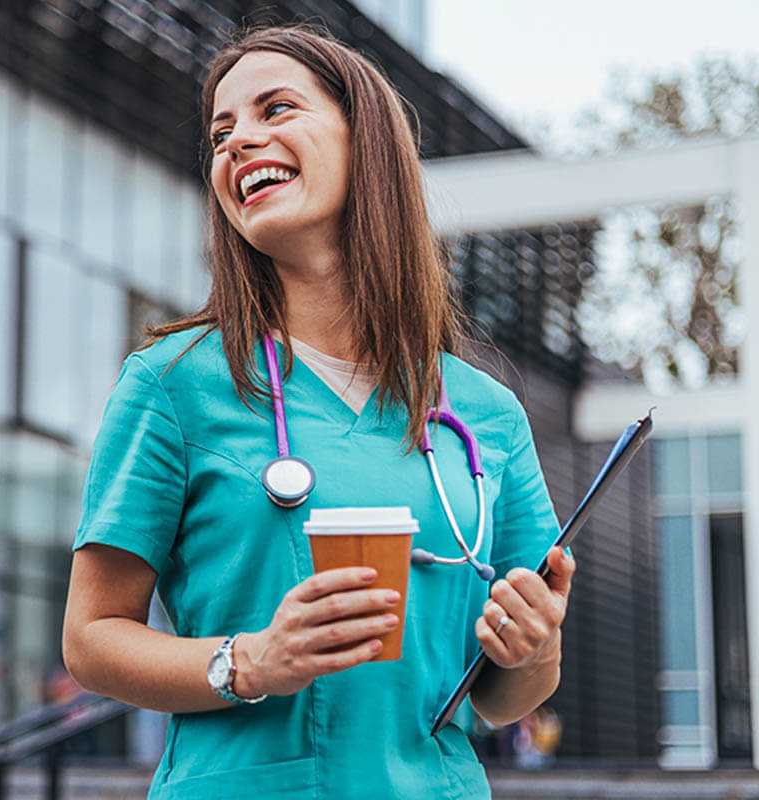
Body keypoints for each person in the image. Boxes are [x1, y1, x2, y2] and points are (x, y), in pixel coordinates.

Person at [62, 24, 576, 799]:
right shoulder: (173, 384)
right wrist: (249, 662)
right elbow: (92, 639)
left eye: (276, 109)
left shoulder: (485, 413)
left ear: (362, 138)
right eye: (222, 132)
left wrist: (532, 648)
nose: (239, 142)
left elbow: (504, 698)